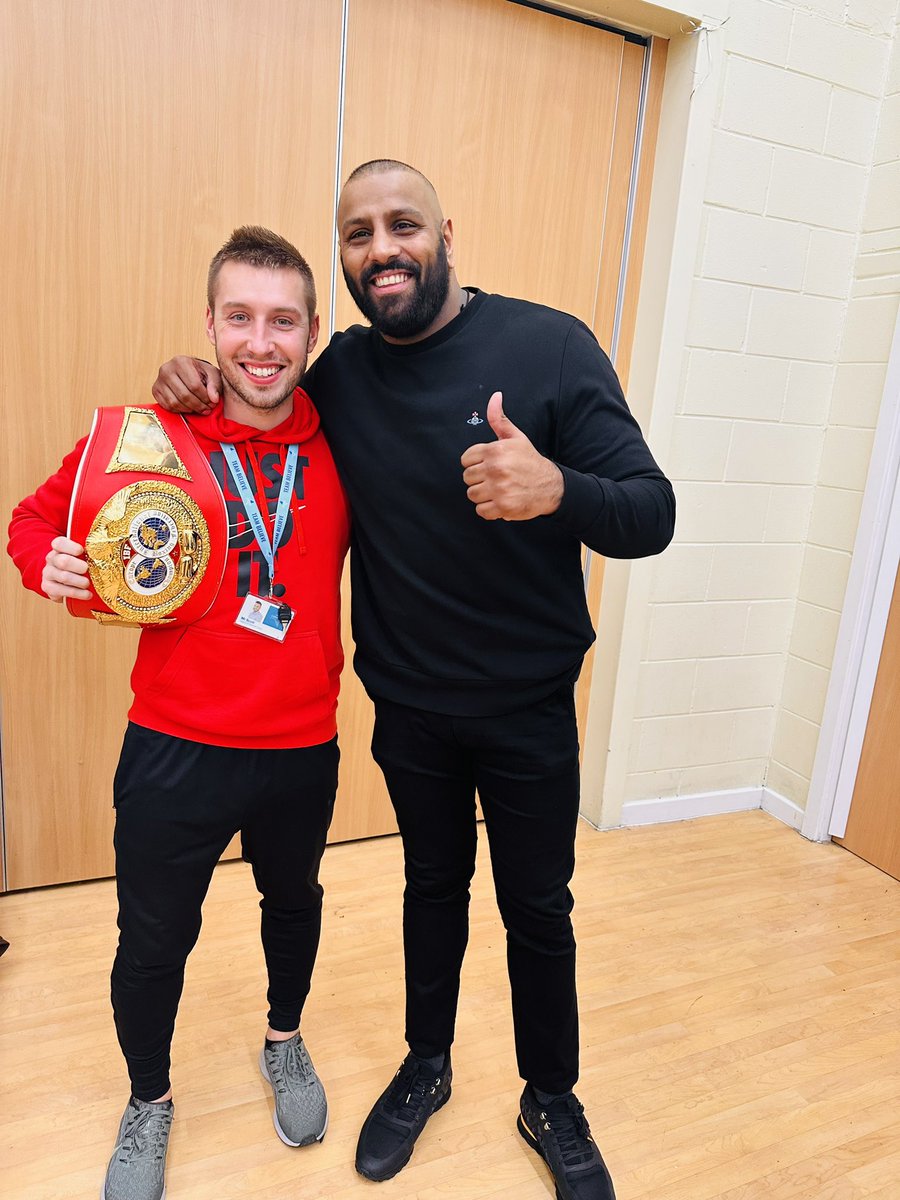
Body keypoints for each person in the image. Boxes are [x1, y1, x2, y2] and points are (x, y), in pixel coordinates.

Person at [152, 161, 675, 1200]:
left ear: (446, 232)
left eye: (402, 225)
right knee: (430, 888)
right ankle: (426, 1063)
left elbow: (650, 512)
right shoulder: (341, 371)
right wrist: (190, 378)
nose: (381, 248)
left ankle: (551, 1096)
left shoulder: (550, 346)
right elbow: (256, 388)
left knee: (539, 907)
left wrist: (556, 488)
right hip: (412, 707)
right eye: (358, 233)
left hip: (527, 708)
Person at [8, 227, 350, 1200]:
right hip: (173, 747)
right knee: (153, 939)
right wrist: (50, 564)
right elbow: (32, 522)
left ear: (311, 332)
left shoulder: (341, 444)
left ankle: (283, 1040)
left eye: (283, 320)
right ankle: (148, 1099)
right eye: (239, 317)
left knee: (293, 906)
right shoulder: (153, 435)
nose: (260, 342)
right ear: (209, 325)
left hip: (300, 746)